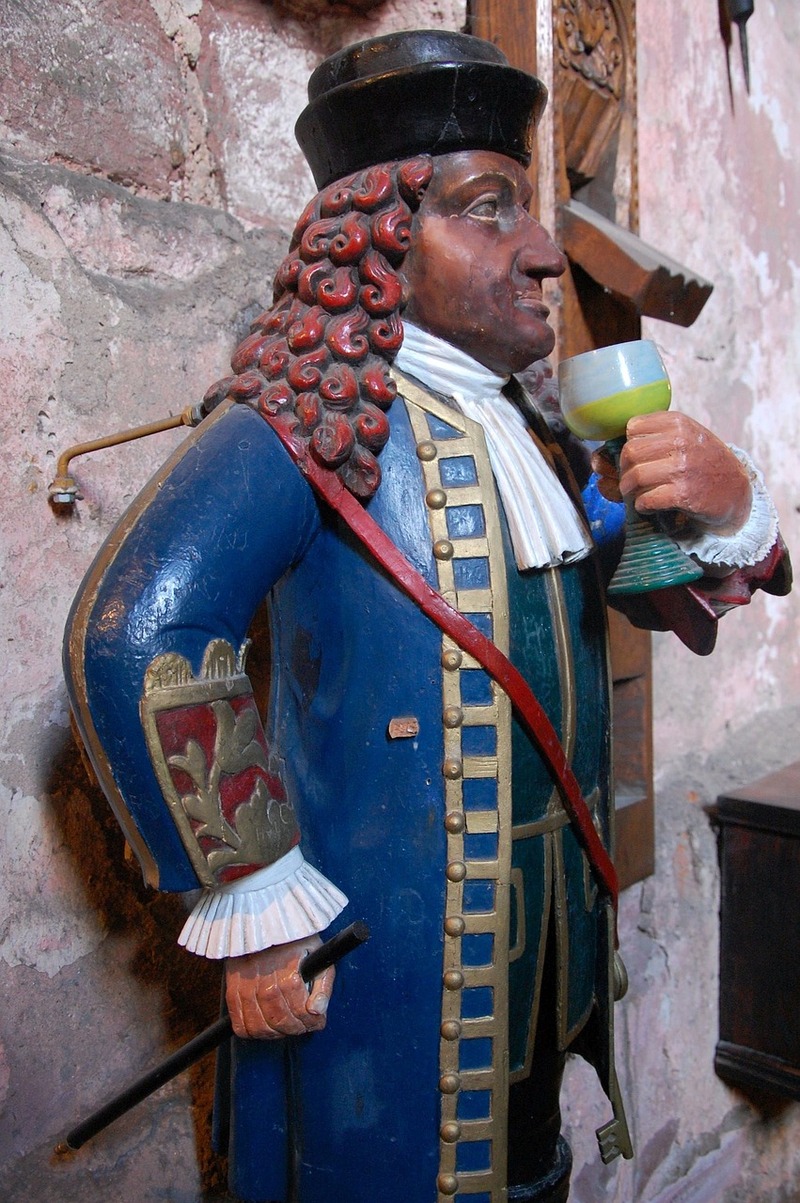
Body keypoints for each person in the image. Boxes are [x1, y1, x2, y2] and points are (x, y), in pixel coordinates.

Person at [64, 30, 790, 1203]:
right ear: (376, 242)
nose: (539, 250)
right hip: (391, 941)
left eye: (525, 210)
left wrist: (725, 508)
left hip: (548, 932)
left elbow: (584, 586)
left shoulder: (533, 434)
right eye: (487, 209)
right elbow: (144, 625)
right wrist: (251, 898)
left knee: (528, 1162)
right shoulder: (305, 420)